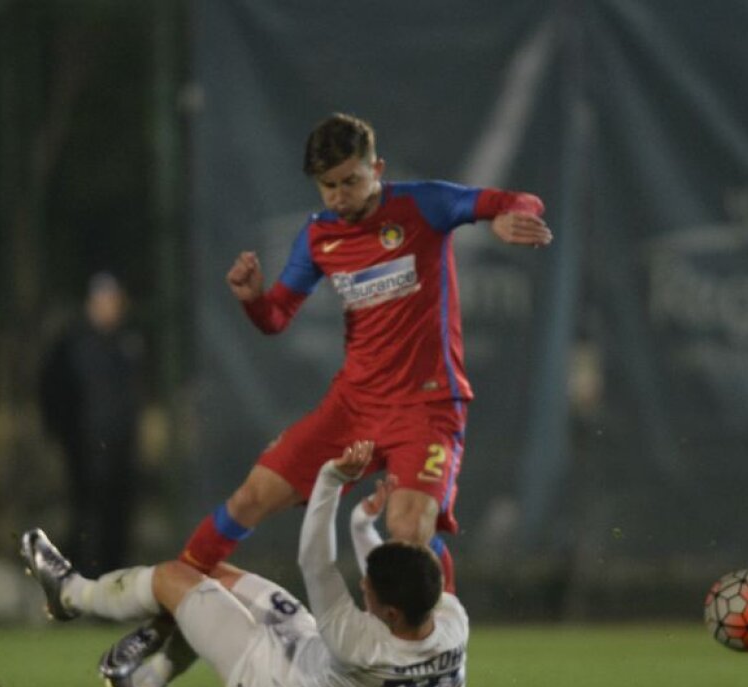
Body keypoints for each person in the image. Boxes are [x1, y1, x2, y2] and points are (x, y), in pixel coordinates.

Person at [179, 112, 553, 590]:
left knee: (407, 531)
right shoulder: (318, 237)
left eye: (350, 181)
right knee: (250, 498)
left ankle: (440, 634)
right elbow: (275, 318)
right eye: (328, 186)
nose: (339, 196)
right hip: (353, 407)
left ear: (376, 169)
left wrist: (507, 216)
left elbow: (519, 199)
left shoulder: (424, 204)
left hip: (427, 406)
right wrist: (253, 299)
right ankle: (174, 598)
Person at [20, 440, 468, 687]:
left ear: (390, 614)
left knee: (174, 579)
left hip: (268, 678)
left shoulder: (360, 643)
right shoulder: (446, 627)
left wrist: (330, 479)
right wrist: (361, 525)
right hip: (311, 650)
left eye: (367, 592)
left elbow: (315, 561)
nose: (362, 588)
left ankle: (71, 594)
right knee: (204, 576)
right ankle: (147, 684)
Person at [38, 272, 144, 576]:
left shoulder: (128, 341)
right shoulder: (72, 343)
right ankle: (80, 581)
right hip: (84, 446)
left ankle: (113, 581)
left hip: (120, 445)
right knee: (85, 518)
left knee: (118, 519)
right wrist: (63, 434)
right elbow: (52, 391)